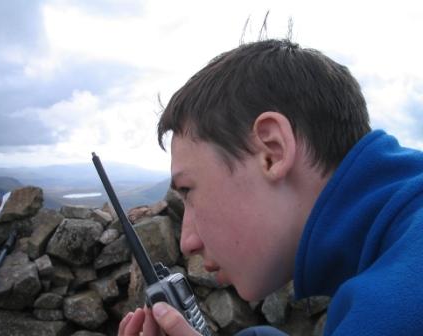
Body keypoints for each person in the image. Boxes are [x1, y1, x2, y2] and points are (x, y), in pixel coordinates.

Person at [118, 39, 423, 336]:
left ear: (272, 151)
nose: (188, 242)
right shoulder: (400, 240)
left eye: (188, 190)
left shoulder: (391, 315)